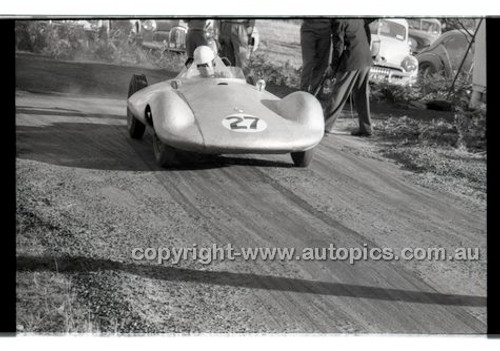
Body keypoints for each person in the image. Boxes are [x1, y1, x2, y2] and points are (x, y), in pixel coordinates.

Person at [323, 19, 373, 137]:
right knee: (362, 95)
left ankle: (325, 127)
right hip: (365, 59)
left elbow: (338, 47)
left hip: (352, 60)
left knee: (338, 94)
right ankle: (366, 129)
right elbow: (367, 34)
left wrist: (333, 68)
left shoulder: (338, 21)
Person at [299, 19, 332, 93]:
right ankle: (303, 92)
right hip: (308, 29)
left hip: (326, 31)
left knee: (322, 64)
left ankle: (313, 93)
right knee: (308, 62)